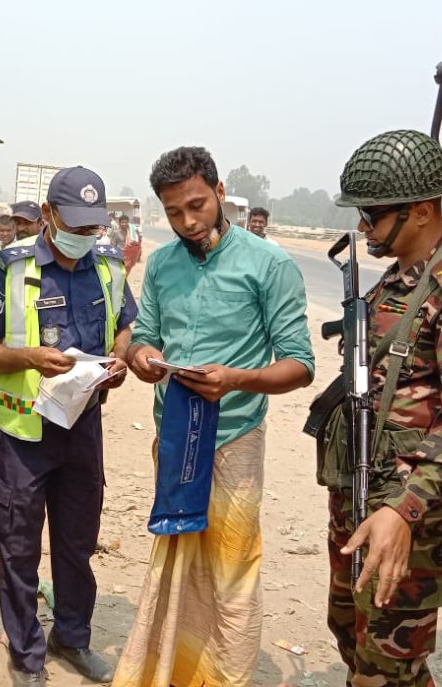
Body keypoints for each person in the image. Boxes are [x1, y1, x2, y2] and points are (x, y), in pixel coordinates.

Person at [114, 146, 315, 687]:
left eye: (198, 205)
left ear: (220, 192)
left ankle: (222, 677)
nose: (188, 222)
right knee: (173, 561)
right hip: (175, 435)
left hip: (233, 440)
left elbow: (300, 365)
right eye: (175, 212)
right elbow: (146, 335)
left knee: (230, 572)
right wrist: (143, 359)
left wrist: (235, 378)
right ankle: (166, 673)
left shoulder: (268, 264)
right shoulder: (162, 264)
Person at [316, 129, 442, 686]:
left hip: (408, 508)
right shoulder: (400, 280)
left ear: (422, 211)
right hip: (361, 491)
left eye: (372, 215)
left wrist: (405, 509)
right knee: (353, 634)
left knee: (385, 662)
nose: (362, 228)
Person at [0, 166, 136, 686]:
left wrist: (119, 358)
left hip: (82, 429)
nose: (85, 237)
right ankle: (26, 654)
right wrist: (27, 357)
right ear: (47, 215)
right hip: (23, 435)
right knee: (19, 546)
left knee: (76, 543)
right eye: (75, 225)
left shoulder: (108, 265)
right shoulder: (9, 266)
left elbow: (126, 324)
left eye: (94, 228)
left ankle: (72, 635)